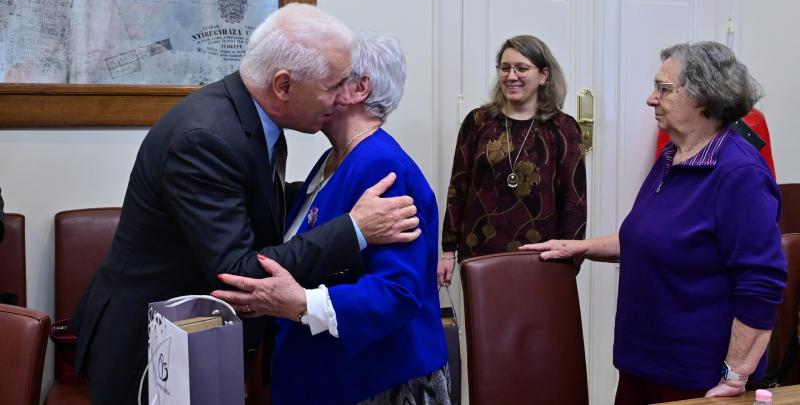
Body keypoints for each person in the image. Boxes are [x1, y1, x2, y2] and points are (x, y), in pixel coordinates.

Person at [71, 4, 421, 405]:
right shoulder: (205, 139)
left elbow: (253, 198)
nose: (343, 97)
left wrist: (322, 196)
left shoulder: (248, 116)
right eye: (333, 85)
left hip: (193, 337)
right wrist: (355, 228)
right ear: (284, 85)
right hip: (150, 351)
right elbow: (238, 272)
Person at [524, 41, 787, 404]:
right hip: (641, 364)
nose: (651, 98)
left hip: (695, 378)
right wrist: (578, 246)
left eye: (664, 90)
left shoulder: (739, 172)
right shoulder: (673, 157)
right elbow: (653, 239)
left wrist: (735, 374)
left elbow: (762, 283)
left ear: (704, 98)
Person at [213, 34, 450, 405]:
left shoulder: (381, 165)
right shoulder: (335, 158)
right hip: (332, 375)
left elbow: (399, 292)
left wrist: (301, 303)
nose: (313, 84)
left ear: (359, 88)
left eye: (328, 75)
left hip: (378, 382)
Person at [437, 34, 586, 286]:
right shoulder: (478, 122)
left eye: (522, 68)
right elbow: (458, 188)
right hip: (480, 253)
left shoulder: (563, 128)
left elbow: (574, 201)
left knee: (534, 326)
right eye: (505, 68)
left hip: (541, 258)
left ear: (544, 75)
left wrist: (569, 261)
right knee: (483, 325)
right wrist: (448, 251)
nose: (511, 76)